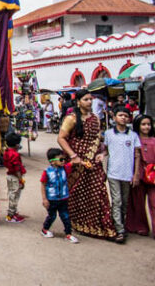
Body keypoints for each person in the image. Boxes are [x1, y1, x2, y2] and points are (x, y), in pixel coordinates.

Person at [56, 88, 116, 239]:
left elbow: (98, 140)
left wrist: (102, 153)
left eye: (91, 99)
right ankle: (79, 223)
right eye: (86, 99)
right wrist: (73, 156)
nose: (89, 102)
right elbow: (61, 138)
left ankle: (100, 225)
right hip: (77, 162)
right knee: (77, 193)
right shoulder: (71, 119)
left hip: (93, 161)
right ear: (78, 102)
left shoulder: (95, 118)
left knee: (97, 192)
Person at [100, 106, 141, 243]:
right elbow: (106, 150)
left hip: (127, 174)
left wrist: (136, 174)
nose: (123, 118)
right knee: (116, 201)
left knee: (124, 202)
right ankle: (119, 229)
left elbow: (137, 155)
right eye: (120, 115)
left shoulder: (133, 135)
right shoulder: (109, 134)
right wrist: (102, 155)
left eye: (126, 116)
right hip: (113, 173)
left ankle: (120, 224)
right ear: (114, 118)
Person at [40, 148, 79, 243]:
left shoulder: (65, 168)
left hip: (63, 198)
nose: (63, 161)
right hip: (52, 199)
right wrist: (44, 199)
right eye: (61, 159)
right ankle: (45, 229)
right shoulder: (47, 172)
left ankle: (68, 234)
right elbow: (43, 184)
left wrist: (79, 160)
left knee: (65, 216)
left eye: (64, 159)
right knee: (52, 216)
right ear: (52, 161)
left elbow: (73, 162)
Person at [125, 114, 155, 237]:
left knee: (154, 202)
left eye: (148, 124)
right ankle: (140, 227)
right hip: (138, 175)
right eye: (143, 124)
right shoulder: (132, 140)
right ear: (138, 125)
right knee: (138, 203)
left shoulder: (154, 140)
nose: (146, 127)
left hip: (152, 176)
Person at [3, 132, 26, 223]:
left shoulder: (6, 152)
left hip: (10, 175)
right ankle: (11, 215)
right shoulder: (15, 155)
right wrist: (21, 180)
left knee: (12, 194)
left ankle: (13, 212)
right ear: (17, 145)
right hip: (15, 177)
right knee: (14, 196)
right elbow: (17, 169)